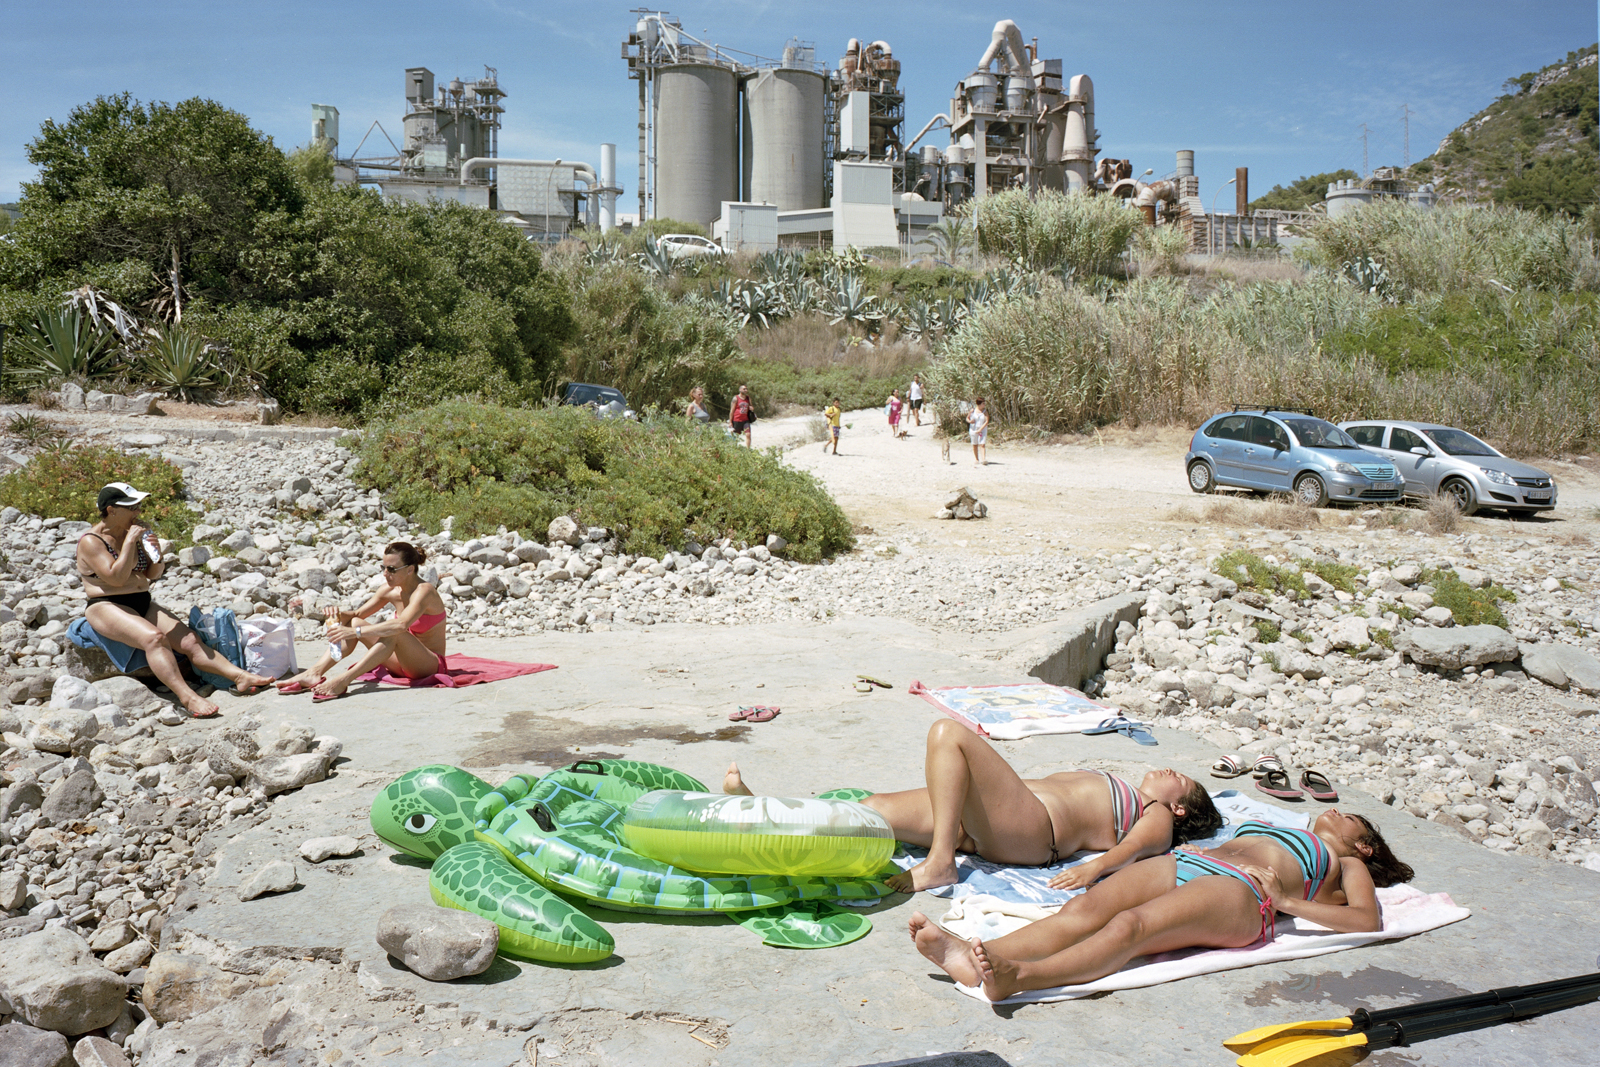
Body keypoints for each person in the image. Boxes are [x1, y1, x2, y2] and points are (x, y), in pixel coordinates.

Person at [910, 805, 1413, 1002]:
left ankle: (1018, 976)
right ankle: (975, 956)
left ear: (1364, 844)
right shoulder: (1285, 824)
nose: (1337, 812)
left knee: (1131, 927)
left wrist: (1286, 901)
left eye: (1351, 818)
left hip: (1241, 891)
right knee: (1081, 911)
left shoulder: (1349, 864)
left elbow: (1365, 919)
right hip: (1191, 862)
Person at [723, 718, 1222, 894]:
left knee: (947, 735)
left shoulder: (1154, 813)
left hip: (1031, 831)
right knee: (871, 807)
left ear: (1180, 809)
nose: (1170, 773)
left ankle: (941, 863)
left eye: (1181, 780)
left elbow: (1139, 849)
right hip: (998, 816)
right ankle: (764, 813)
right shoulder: (1134, 793)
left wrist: (1094, 872)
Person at [76, 482, 275, 718]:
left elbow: (152, 574)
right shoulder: (92, 541)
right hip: (106, 605)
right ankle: (187, 697)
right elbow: (117, 579)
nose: (138, 511)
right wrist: (130, 542)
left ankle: (239, 677)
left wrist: (154, 552)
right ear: (111, 510)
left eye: (139, 505)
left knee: (189, 640)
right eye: (133, 507)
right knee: (155, 639)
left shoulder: (135, 532)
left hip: (141, 600)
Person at [275, 542, 448, 702]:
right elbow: (357, 614)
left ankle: (344, 680)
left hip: (428, 665)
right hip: (400, 662)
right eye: (383, 567)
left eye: (392, 569)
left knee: (394, 632)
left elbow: (401, 625)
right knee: (356, 621)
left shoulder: (424, 591)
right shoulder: (390, 590)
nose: (385, 574)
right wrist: (335, 614)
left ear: (410, 570)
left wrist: (356, 633)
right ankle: (315, 672)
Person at [967, 397, 989, 467]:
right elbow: (967, 418)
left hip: (982, 429)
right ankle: (976, 459)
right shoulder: (972, 411)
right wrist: (970, 421)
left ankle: (983, 459)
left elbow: (987, 421)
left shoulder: (985, 411)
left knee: (982, 444)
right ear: (979, 404)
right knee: (975, 444)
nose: (984, 405)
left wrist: (981, 429)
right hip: (973, 429)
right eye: (983, 403)